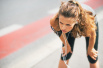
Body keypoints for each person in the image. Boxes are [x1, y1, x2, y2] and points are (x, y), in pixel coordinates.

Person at [50, 0, 100, 68]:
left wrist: (90, 49)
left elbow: (92, 35)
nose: (63, 27)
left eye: (67, 24)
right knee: (66, 53)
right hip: (71, 22)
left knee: (92, 56)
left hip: (88, 23)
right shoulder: (54, 21)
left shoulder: (87, 22)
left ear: (77, 21)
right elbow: (60, 33)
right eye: (61, 23)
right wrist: (66, 45)